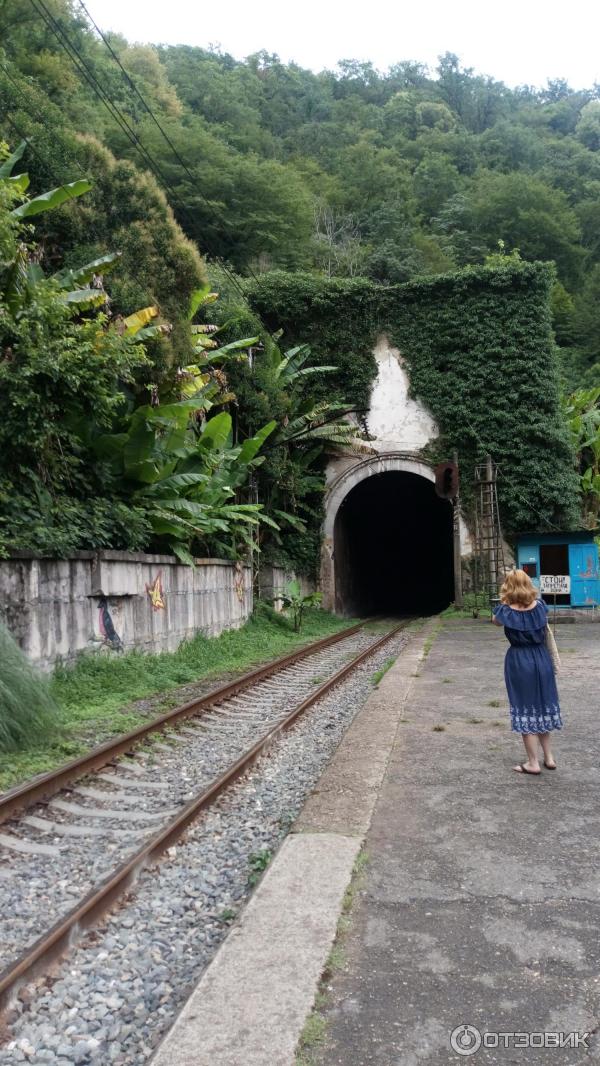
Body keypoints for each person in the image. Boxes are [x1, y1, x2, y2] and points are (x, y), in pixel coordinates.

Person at [492, 569, 562, 775]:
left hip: (519, 660)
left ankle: (533, 763)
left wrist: (507, 601)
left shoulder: (504, 611)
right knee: (542, 705)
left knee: (525, 708)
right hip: (542, 658)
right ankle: (549, 757)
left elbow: (495, 621)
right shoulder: (540, 607)